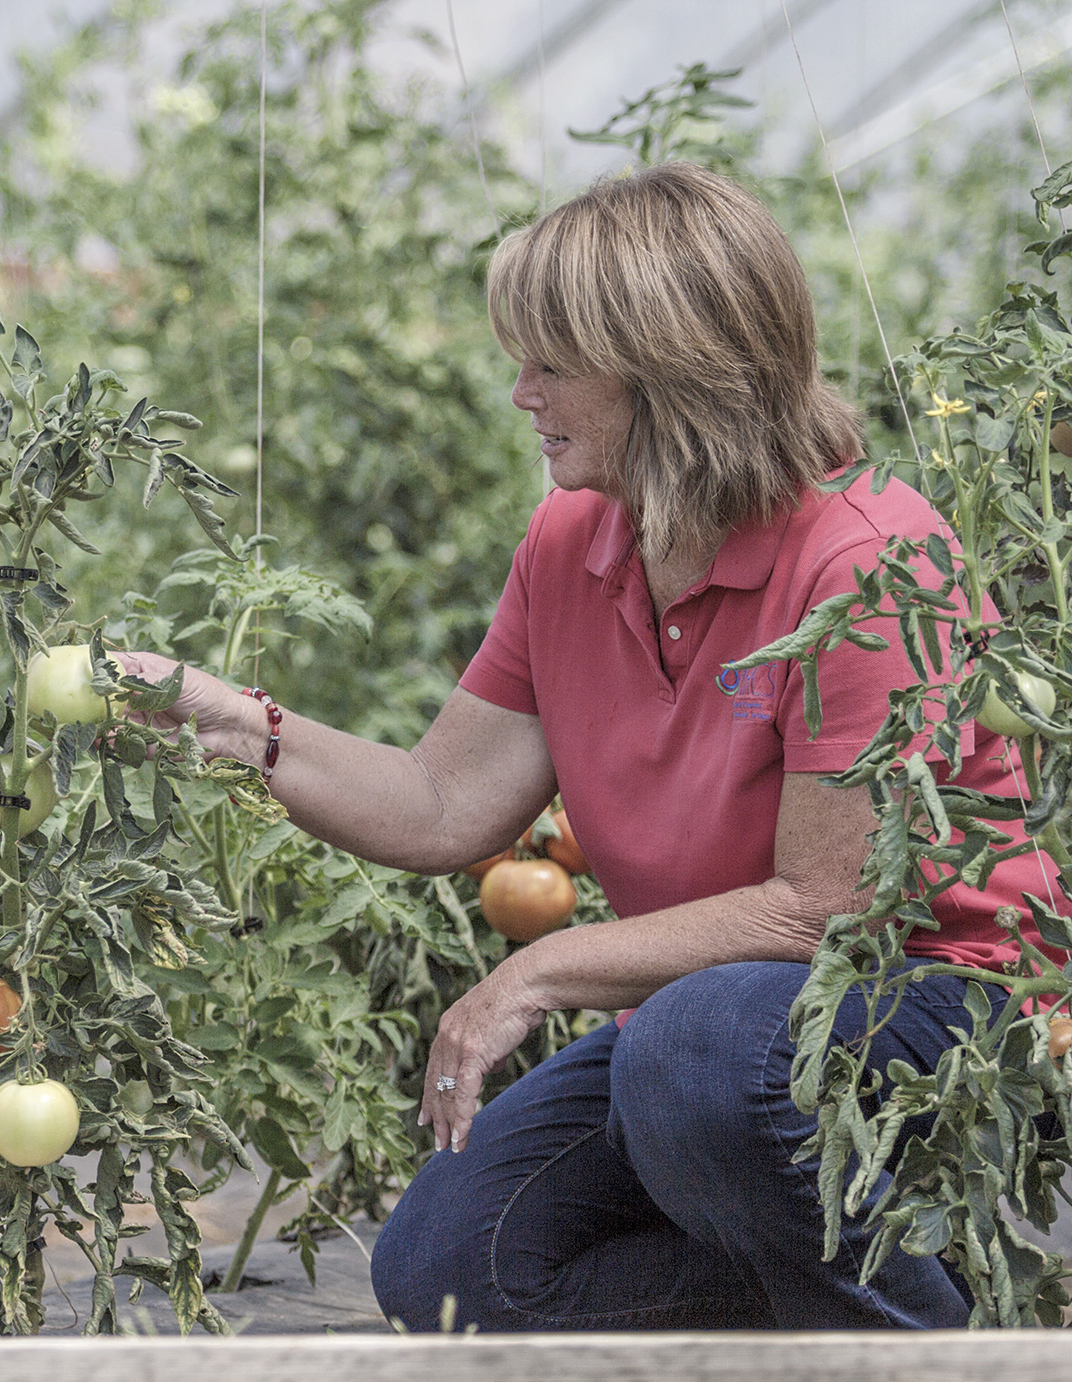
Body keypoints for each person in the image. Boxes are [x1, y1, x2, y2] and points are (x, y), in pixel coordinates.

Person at [118, 163, 1058, 1329]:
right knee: (453, 1272)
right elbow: (441, 804)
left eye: (550, 364)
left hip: (930, 1006)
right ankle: (868, 1284)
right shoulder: (573, 541)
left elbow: (825, 909)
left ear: (668, 368)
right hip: (706, 1029)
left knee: (696, 1050)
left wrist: (535, 968)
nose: (519, 393)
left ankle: (933, 1349)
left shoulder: (867, 560)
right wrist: (239, 727)